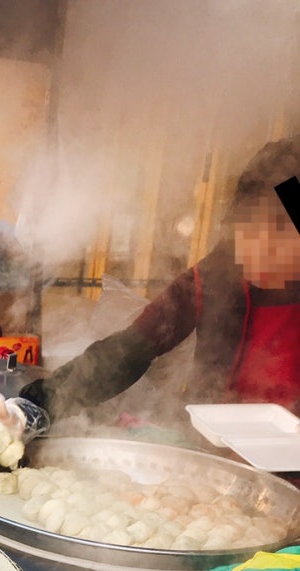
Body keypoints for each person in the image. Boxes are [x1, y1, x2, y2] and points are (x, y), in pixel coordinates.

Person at [18, 135, 300, 423]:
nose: (260, 244)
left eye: (282, 227)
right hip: (208, 454)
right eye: (250, 221)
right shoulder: (218, 276)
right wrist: (41, 400)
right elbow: (130, 348)